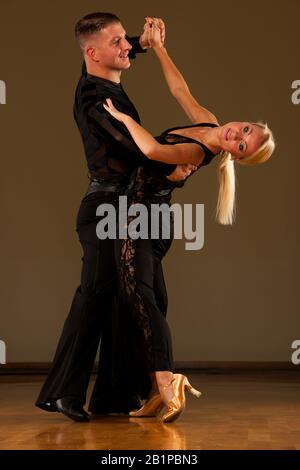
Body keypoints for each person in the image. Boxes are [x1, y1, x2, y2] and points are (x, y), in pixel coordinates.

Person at [102, 19, 275, 423]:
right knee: (151, 301)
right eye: (245, 128)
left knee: (141, 299)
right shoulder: (210, 123)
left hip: (139, 217)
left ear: (239, 156)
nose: (236, 134)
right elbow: (180, 89)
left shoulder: (197, 154)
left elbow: (151, 151)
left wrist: (122, 119)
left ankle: (166, 381)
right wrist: (158, 47)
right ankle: (156, 390)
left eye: (242, 144)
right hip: (151, 216)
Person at [35, 12, 189, 422]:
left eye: (126, 39)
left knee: (137, 298)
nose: (127, 46)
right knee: (97, 296)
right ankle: (64, 392)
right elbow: (137, 149)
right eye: (117, 41)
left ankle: (115, 395)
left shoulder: (102, 80)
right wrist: (173, 166)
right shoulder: (93, 96)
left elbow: (117, 48)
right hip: (107, 209)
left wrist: (145, 41)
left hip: (131, 208)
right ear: (92, 52)